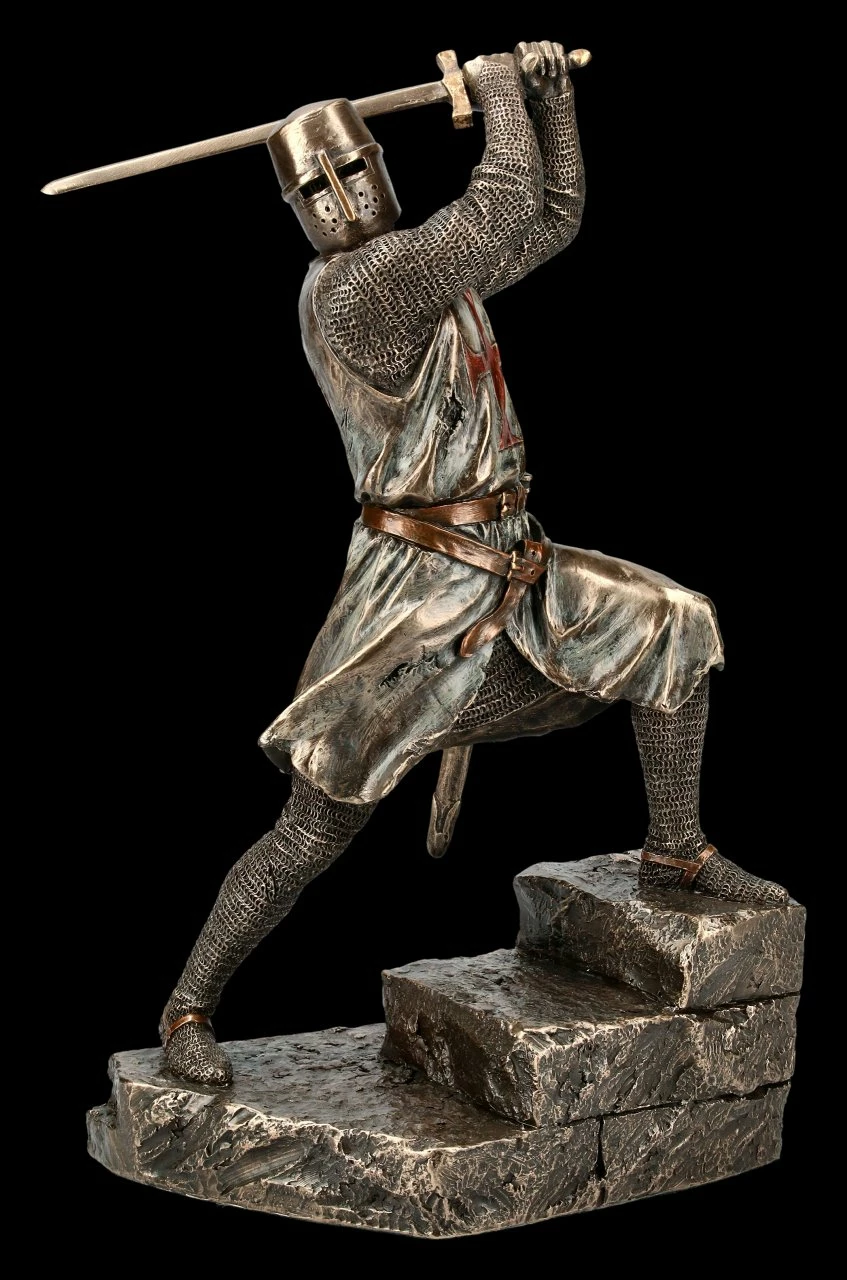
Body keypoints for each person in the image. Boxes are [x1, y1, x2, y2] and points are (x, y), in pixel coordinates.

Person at [159, 41, 789, 1088]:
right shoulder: (361, 291)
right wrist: (495, 83)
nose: (339, 195)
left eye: (352, 167)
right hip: (413, 596)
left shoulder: (424, 270)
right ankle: (189, 1004)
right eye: (312, 189)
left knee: (672, 622)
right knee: (314, 826)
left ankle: (675, 845)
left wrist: (548, 100)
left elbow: (547, 218)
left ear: (380, 165)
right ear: (294, 210)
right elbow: (497, 208)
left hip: (508, 560)